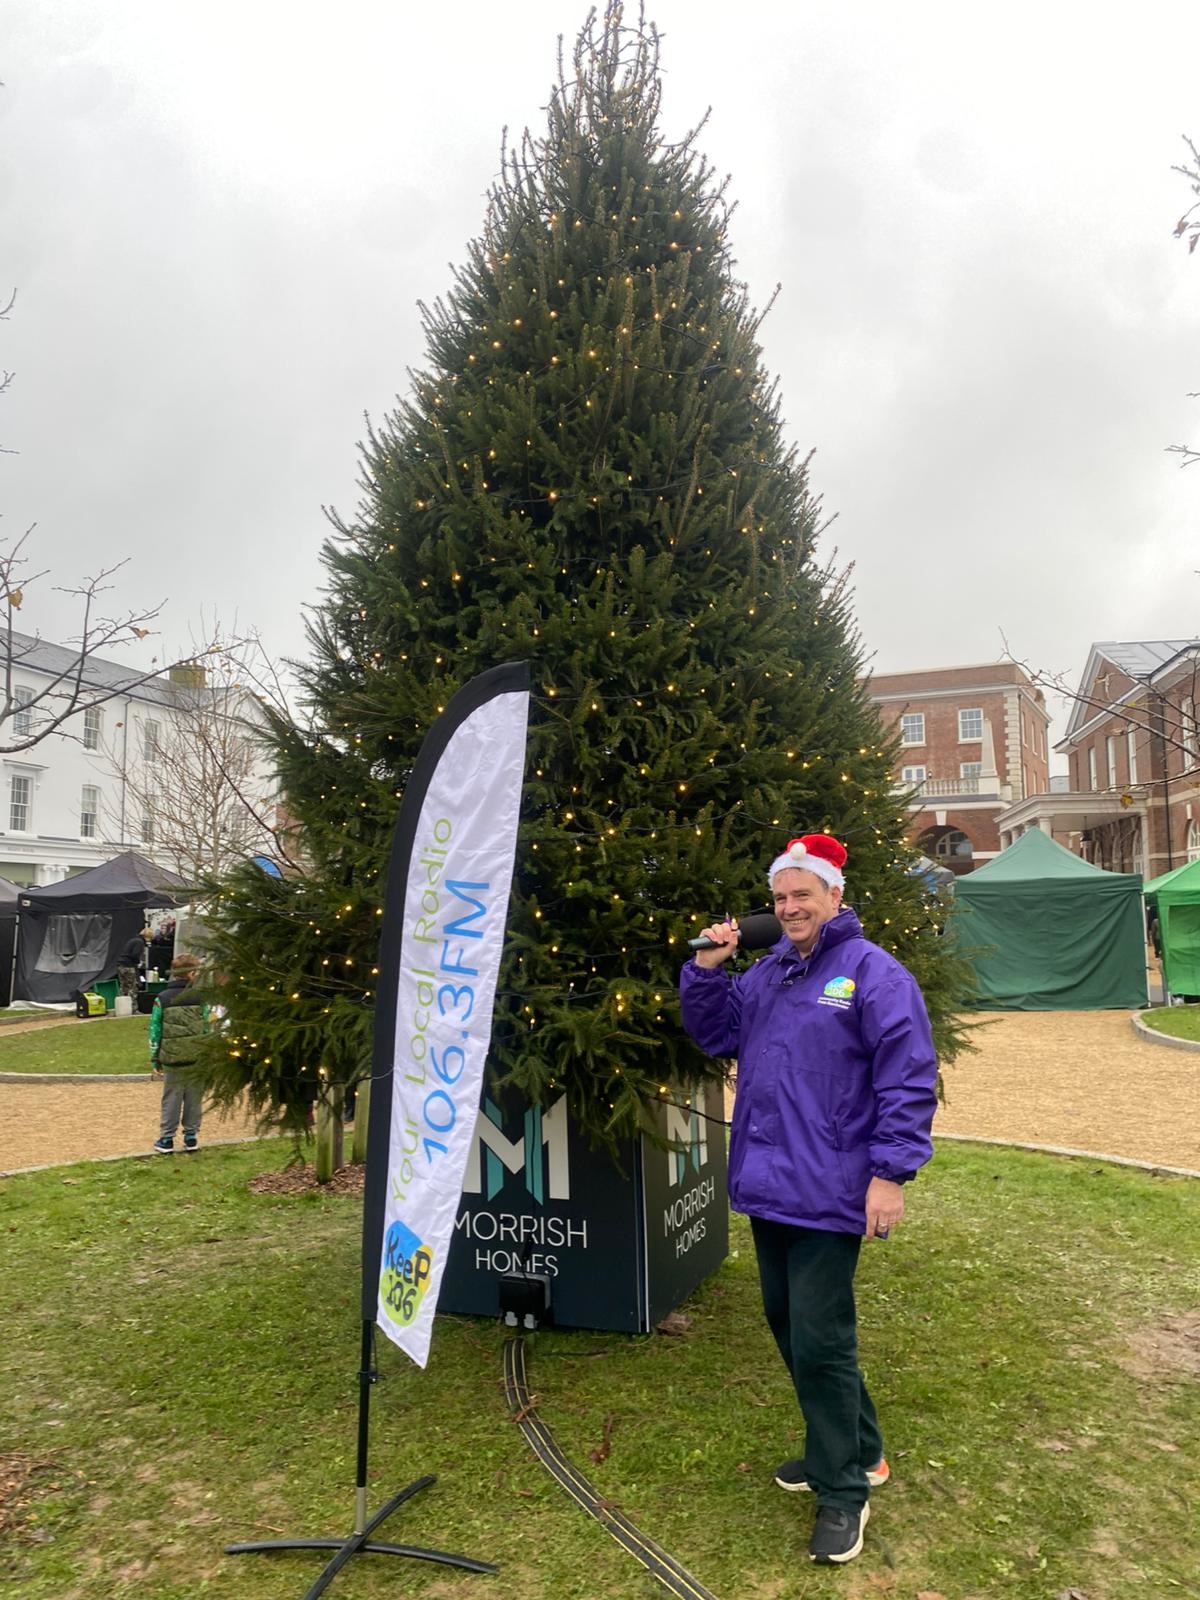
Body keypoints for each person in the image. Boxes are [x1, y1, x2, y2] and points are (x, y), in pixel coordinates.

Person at [680, 833, 938, 1567]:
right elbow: (714, 1032)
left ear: (834, 898)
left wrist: (889, 1174)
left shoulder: (872, 975)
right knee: (788, 1321)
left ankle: (840, 1492)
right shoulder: (767, 976)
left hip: (832, 1190)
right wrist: (707, 967)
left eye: (804, 895)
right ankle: (860, 1450)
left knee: (821, 1340)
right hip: (770, 1185)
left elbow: (908, 1077)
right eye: (781, 897)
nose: (791, 908)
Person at [150, 954, 210, 1153]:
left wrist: (155, 1057)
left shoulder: (162, 999)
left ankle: (167, 1138)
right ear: (192, 974)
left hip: (172, 1057)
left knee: (171, 1098)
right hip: (197, 1055)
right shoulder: (202, 997)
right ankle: (191, 1136)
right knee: (194, 1098)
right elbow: (208, 1025)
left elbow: (155, 1030)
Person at [115, 927, 151, 999]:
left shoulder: (133, 940)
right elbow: (135, 954)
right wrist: (138, 962)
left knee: (123, 987)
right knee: (132, 987)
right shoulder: (139, 942)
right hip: (129, 966)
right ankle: (133, 1007)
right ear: (148, 937)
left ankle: (120, 1005)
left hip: (120, 965)